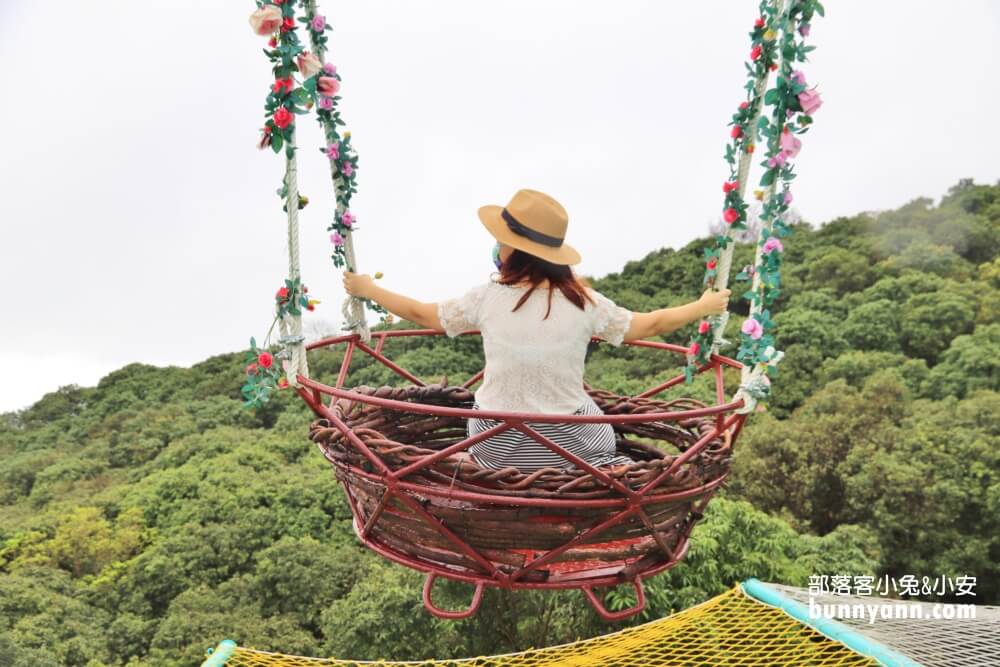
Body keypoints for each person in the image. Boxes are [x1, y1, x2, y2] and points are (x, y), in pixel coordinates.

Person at [342, 188, 730, 473]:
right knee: (592, 422)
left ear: (514, 252)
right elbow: (652, 323)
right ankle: (598, 469)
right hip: (575, 446)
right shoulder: (585, 302)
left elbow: (421, 313)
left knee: (485, 420)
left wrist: (369, 289)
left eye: (503, 242)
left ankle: (471, 463)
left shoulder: (486, 298)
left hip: (494, 445)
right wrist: (701, 307)